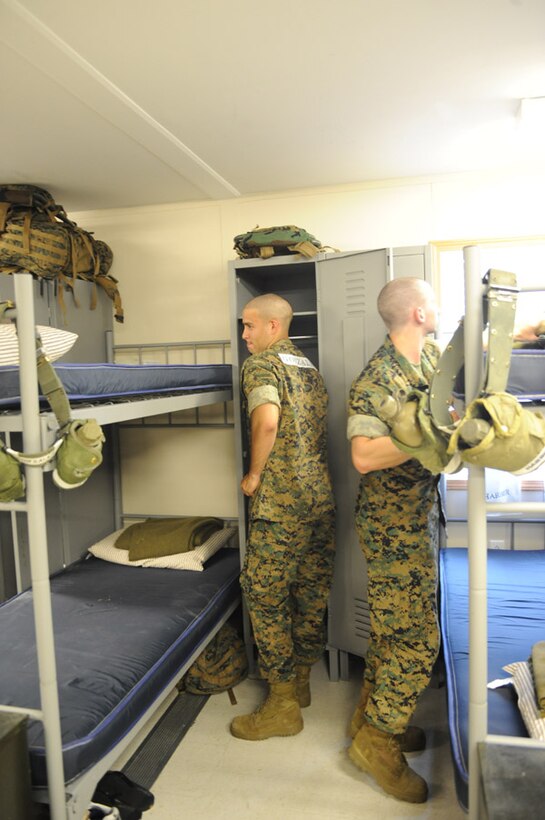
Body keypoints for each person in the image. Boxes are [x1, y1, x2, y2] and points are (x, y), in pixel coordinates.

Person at [346, 277, 442, 804]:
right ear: (419, 313)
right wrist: (427, 436)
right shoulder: (377, 378)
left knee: (391, 630)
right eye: (434, 302)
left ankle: (371, 719)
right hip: (391, 527)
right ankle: (378, 742)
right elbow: (363, 456)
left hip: (417, 516)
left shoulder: (428, 361)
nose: (439, 308)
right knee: (416, 639)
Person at [230, 293, 336, 741]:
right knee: (309, 592)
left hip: (281, 503)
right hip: (319, 500)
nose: (244, 334)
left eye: (249, 325)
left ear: (273, 326)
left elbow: (268, 421)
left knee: (264, 593)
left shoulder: (261, 365)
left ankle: (282, 704)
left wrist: (254, 474)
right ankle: (302, 683)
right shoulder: (308, 367)